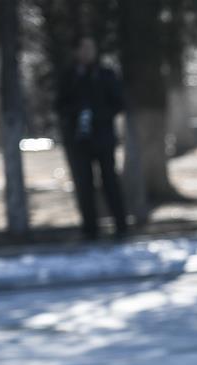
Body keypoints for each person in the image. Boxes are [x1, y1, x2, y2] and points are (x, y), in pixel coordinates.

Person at [56, 36, 128, 240]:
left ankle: (121, 225)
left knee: (110, 181)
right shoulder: (70, 76)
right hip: (80, 140)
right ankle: (90, 229)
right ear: (77, 51)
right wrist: (77, 114)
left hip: (103, 137)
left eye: (92, 47)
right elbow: (60, 105)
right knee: (84, 185)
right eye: (84, 48)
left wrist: (98, 114)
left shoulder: (105, 74)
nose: (89, 52)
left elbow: (118, 103)